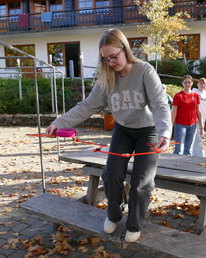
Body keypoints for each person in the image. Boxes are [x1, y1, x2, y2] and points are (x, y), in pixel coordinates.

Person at [46, 28, 172, 242]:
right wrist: (59, 123)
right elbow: (86, 107)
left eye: (114, 56)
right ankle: (114, 215)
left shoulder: (144, 71)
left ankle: (134, 224)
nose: (111, 62)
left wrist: (165, 132)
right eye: (106, 59)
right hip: (123, 130)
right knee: (111, 174)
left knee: (142, 181)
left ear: (125, 49)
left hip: (148, 131)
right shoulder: (106, 78)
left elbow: (160, 104)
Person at [171, 75, 204, 155]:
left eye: (189, 82)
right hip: (180, 125)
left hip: (192, 125)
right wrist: (171, 126)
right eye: (185, 82)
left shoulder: (195, 96)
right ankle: (174, 165)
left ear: (192, 83)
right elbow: (174, 111)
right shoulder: (178, 96)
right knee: (178, 149)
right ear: (182, 83)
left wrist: (202, 127)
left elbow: (198, 111)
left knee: (188, 149)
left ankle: (186, 165)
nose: (187, 84)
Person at [192, 77, 206, 157]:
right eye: (201, 83)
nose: (202, 85)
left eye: (204, 84)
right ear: (197, 84)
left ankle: (199, 154)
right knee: (192, 136)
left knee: (199, 136)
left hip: (202, 117)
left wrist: (203, 109)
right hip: (193, 117)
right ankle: (192, 153)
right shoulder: (193, 92)